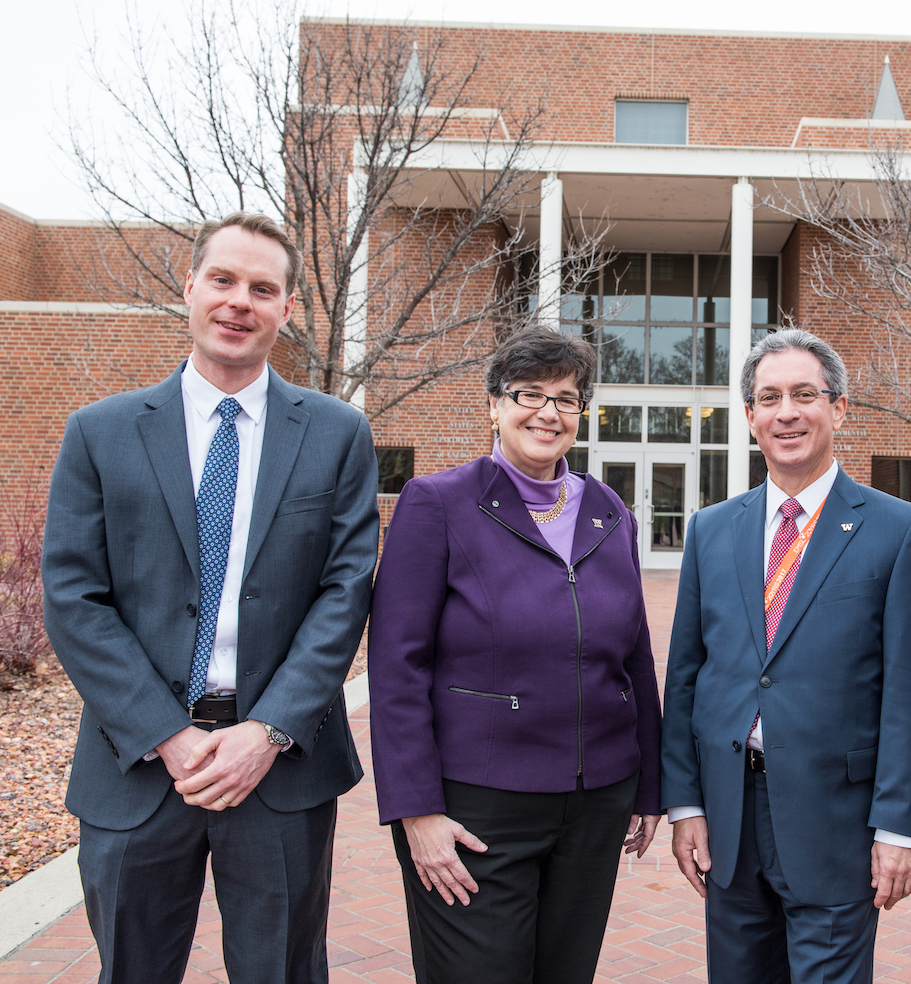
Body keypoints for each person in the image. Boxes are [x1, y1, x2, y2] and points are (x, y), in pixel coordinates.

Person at [41, 212, 379, 982]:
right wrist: (168, 734)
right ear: (190, 287)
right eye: (223, 280)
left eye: (262, 288)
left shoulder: (336, 433)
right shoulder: (101, 432)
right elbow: (73, 595)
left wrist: (268, 732)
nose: (239, 302)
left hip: (279, 767)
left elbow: (344, 591)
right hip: (137, 764)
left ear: (287, 308)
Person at [367, 327, 662, 984]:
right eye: (528, 394)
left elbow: (636, 659)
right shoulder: (437, 503)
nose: (547, 412)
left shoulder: (610, 511)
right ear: (494, 405)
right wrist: (416, 812)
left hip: (596, 803)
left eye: (565, 397)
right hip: (477, 808)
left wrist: (648, 789)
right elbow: (396, 668)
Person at [660, 328, 911, 984]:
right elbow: (685, 675)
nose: (786, 411)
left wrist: (901, 828)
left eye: (804, 394)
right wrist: (686, 805)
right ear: (750, 418)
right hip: (729, 825)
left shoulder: (901, 532)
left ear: (839, 408)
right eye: (769, 397)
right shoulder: (711, 530)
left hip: (834, 827)